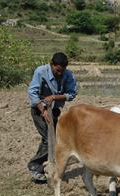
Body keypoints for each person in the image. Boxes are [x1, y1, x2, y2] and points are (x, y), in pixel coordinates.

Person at [27, 52, 77, 183]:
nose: (59, 73)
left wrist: (54, 97)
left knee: (54, 140)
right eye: (57, 70)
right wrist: (43, 110)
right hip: (39, 110)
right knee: (48, 139)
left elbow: (71, 94)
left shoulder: (68, 75)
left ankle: (48, 167)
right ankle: (34, 166)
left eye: (62, 71)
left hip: (54, 111)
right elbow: (32, 92)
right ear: (52, 65)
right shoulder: (41, 71)